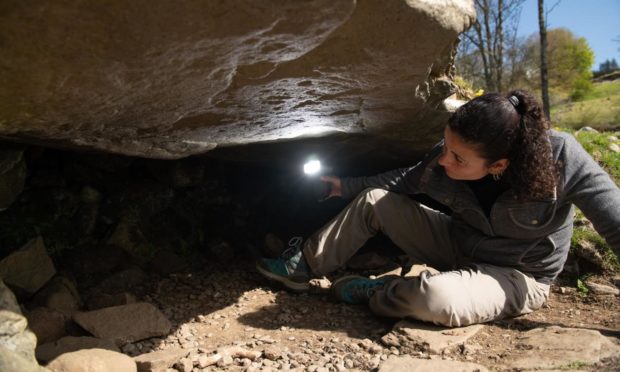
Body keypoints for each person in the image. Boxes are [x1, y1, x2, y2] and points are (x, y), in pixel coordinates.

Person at [256, 89, 620, 327]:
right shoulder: (446, 157)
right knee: (375, 202)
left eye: (458, 157)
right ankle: (303, 265)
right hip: (457, 243)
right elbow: (403, 180)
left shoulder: (562, 157)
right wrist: (343, 186)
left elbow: (614, 221)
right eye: (445, 146)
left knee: (436, 298)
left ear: (499, 164)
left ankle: (379, 291)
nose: (443, 159)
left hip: (518, 275)